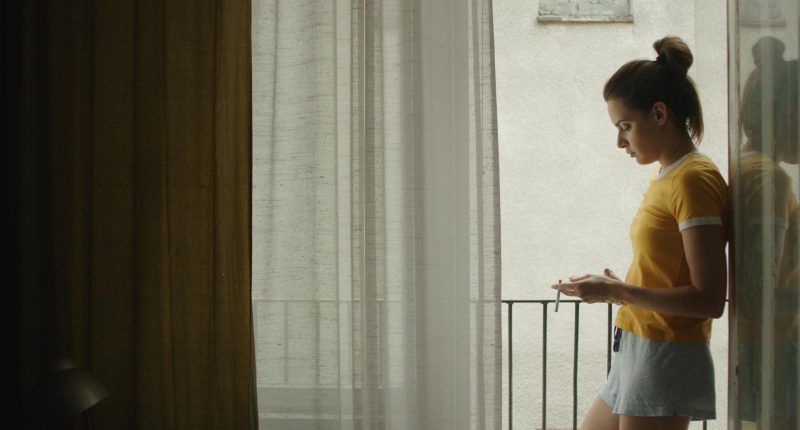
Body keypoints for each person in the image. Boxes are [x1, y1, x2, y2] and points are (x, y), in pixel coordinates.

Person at [552, 36, 728, 430]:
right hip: (637, 342)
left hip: (666, 353)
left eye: (625, 126)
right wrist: (620, 289)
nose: (620, 142)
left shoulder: (693, 180)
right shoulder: (667, 176)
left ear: (659, 113)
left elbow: (708, 299)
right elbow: (670, 270)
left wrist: (619, 290)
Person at [734, 36, 799, 430]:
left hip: (759, 347)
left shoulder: (745, 166)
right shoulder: (768, 178)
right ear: (789, 114)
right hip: (773, 350)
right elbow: (762, 295)